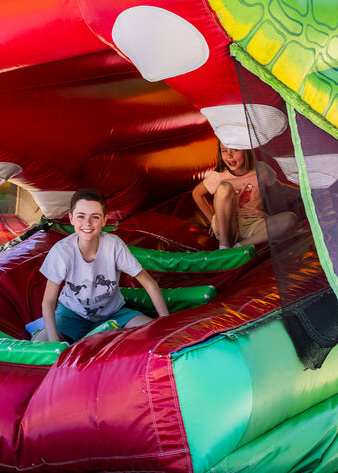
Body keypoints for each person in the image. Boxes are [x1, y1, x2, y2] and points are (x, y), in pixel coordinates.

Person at [40, 188, 170, 343]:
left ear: (104, 220)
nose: (87, 223)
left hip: (113, 313)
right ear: (71, 218)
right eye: (81, 216)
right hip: (72, 314)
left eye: (95, 217)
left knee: (154, 333)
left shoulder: (113, 245)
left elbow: (149, 283)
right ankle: (40, 333)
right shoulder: (62, 251)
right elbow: (48, 301)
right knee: (42, 342)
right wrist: (54, 341)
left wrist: (165, 323)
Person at [191, 141, 298, 248]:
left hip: (253, 224)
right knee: (225, 187)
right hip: (226, 225)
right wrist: (212, 220)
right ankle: (224, 246)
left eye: (235, 150)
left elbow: (281, 189)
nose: (229, 155)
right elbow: (197, 194)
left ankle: (239, 247)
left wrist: (307, 191)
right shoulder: (219, 175)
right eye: (224, 151)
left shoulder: (261, 170)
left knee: (290, 218)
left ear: (246, 151)